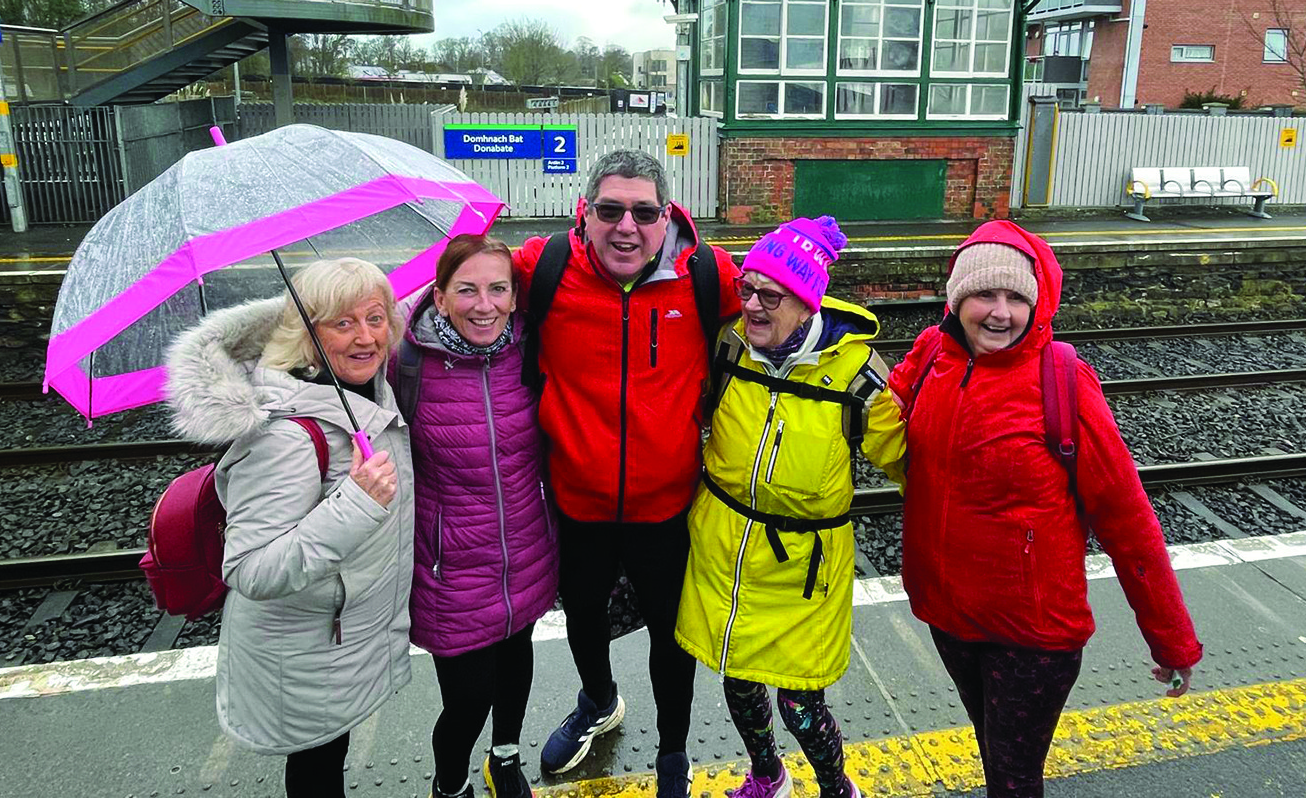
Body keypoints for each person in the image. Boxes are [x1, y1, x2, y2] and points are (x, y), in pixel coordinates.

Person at [887, 220, 1202, 798]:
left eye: (1016, 297)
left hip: (1032, 634)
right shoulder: (933, 353)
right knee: (993, 753)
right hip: (949, 616)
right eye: (984, 294)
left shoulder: (1063, 380)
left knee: (1013, 777)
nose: (1000, 312)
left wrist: (1172, 638)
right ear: (957, 299)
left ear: (1037, 304)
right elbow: (874, 413)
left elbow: (1126, 517)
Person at [513, 149, 743, 798]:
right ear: (583, 213)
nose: (626, 227)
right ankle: (598, 700)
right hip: (576, 500)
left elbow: (782, 308)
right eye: (610, 209)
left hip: (666, 505)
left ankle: (673, 748)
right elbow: (459, 290)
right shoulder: (543, 267)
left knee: (672, 634)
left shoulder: (705, 273)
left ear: (666, 216)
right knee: (583, 613)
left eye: (644, 213)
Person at [164, 257, 413, 798]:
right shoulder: (285, 436)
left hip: (335, 640)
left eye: (375, 318)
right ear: (308, 334)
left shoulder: (362, 388)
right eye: (343, 323)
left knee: (330, 752)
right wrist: (356, 504)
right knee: (317, 768)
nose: (366, 337)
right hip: (302, 653)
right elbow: (249, 569)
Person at [677, 216, 907, 798]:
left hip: (804, 569)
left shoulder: (857, 378)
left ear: (807, 304)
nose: (752, 305)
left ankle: (836, 788)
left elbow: (911, 464)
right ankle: (767, 775)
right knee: (738, 681)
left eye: (770, 295)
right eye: (747, 288)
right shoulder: (729, 347)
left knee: (801, 705)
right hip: (727, 550)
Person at [394, 234, 557, 798]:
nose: (484, 305)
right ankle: (450, 784)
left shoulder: (530, 347)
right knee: (467, 700)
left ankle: (506, 755)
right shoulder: (405, 362)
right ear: (439, 298)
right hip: (451, 568)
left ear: (514, 296)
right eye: (467, 290)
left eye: (498, 289)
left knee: (515, 668)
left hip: (525, 552)